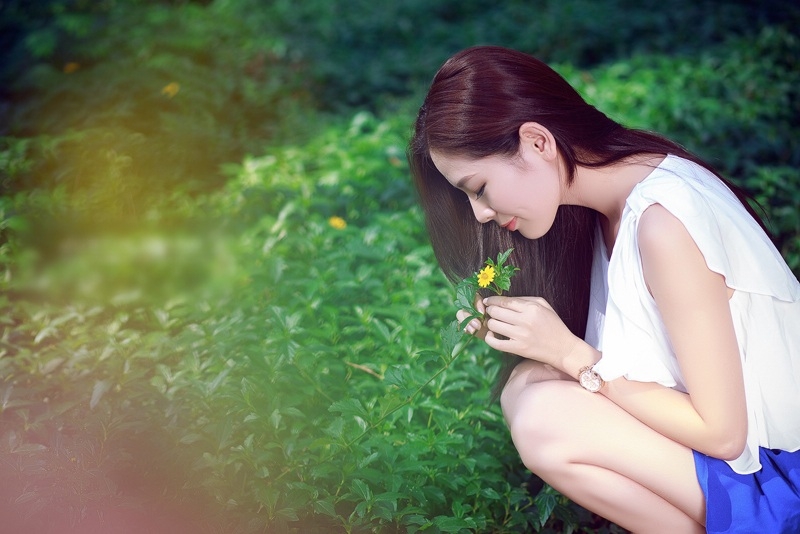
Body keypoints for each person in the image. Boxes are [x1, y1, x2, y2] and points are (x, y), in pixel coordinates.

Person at [408, 45, 800, 533]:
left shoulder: (663, 224)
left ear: (536, 141)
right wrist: (532, 341)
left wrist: (572, 355)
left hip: (780, 477)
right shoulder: (603, 214)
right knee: (529, 385)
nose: (480, 214)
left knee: (543, 417)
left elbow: (722, 435)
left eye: (479, 188)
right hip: (749, 470)